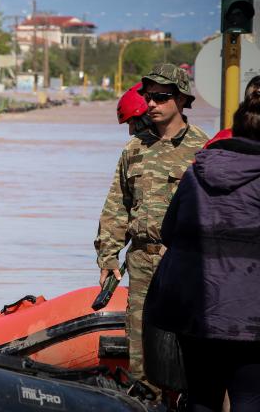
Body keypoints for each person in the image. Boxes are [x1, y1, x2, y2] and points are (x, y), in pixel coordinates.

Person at [144, 92, 260, 412]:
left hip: (196, 311)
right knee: (250, 398)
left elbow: (168, 232)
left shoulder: (196, 172)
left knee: (201, 397)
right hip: (251, 317)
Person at [94, 63, 209, 382]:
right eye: (148, 97)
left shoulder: (203, 150)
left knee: (185, 348)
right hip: (143, 262)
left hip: (185, 263)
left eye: (161, 96)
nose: (152, 103)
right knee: (141, 352)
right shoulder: (134, 149)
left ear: (183, 99)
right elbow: (117, 205)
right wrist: (107, 257)